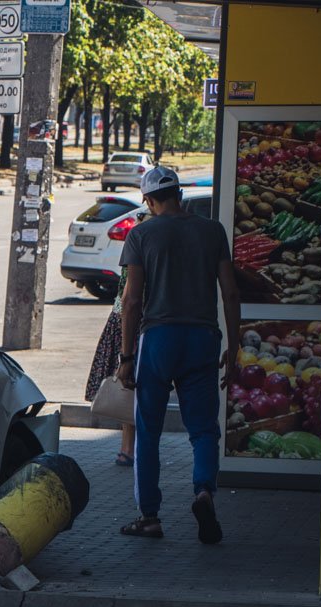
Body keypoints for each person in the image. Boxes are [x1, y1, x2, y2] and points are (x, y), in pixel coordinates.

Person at [116, 166, 240, 543]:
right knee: (204, 429)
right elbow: (230, 293)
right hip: (203, 338)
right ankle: (203, 491)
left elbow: (132, 299)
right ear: (180, 195)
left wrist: (125, 357)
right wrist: (233, 347)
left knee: (148, 430)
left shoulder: (141, 234)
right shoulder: (212, 231)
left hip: (159, 339)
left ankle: (149, 516)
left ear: (150, 200)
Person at [84, 267, 136, 466]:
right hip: (128, 319)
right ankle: (129, 446)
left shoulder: (138, 244)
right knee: (128, 387)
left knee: (128, 386)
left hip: (127, 320)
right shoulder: (145, 244)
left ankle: (128, 447)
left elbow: (128, 294)